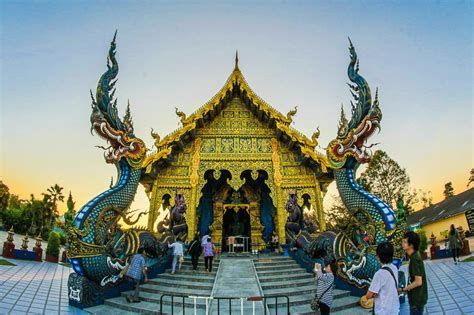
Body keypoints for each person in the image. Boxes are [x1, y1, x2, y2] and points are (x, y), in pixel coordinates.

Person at [366, 242, 400, 315]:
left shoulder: (379, 274)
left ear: (378, 257)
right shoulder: (394, 268)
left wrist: (375, 294)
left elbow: (368, 295)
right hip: (394, 309)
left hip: (383, 311)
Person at [400, 231, 428, 315]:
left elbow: (418, 282)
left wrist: (404, 289)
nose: (402, 244)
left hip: (417, 299)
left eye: (405, 242)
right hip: (416, 297)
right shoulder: (413, 256)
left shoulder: (415, 259)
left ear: (411, 245)